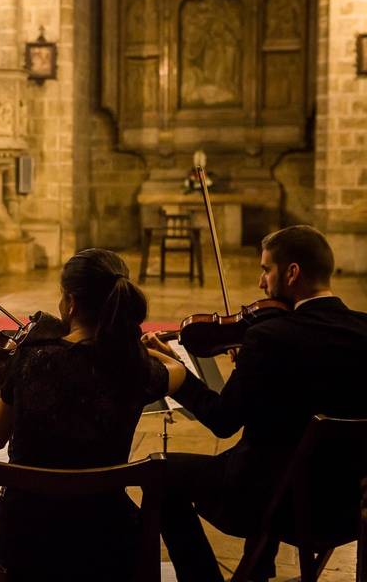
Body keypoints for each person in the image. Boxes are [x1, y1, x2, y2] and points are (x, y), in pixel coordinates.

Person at [149, 225, 367, 582]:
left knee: (160, 475)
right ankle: (256, 570)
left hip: (270, 504)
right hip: (344, 510)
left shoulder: (269, 337)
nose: (261, 283)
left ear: (292, 272)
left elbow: (223, 421)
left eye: (266, 270)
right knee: (279, 451)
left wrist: (179, 375)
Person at [0, 249, 186, 581]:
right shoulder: (134, 369)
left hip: (25, 535)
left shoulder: (31, 359)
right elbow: (177, 369)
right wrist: (134, 347)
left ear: (71, 303)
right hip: (105, 534)